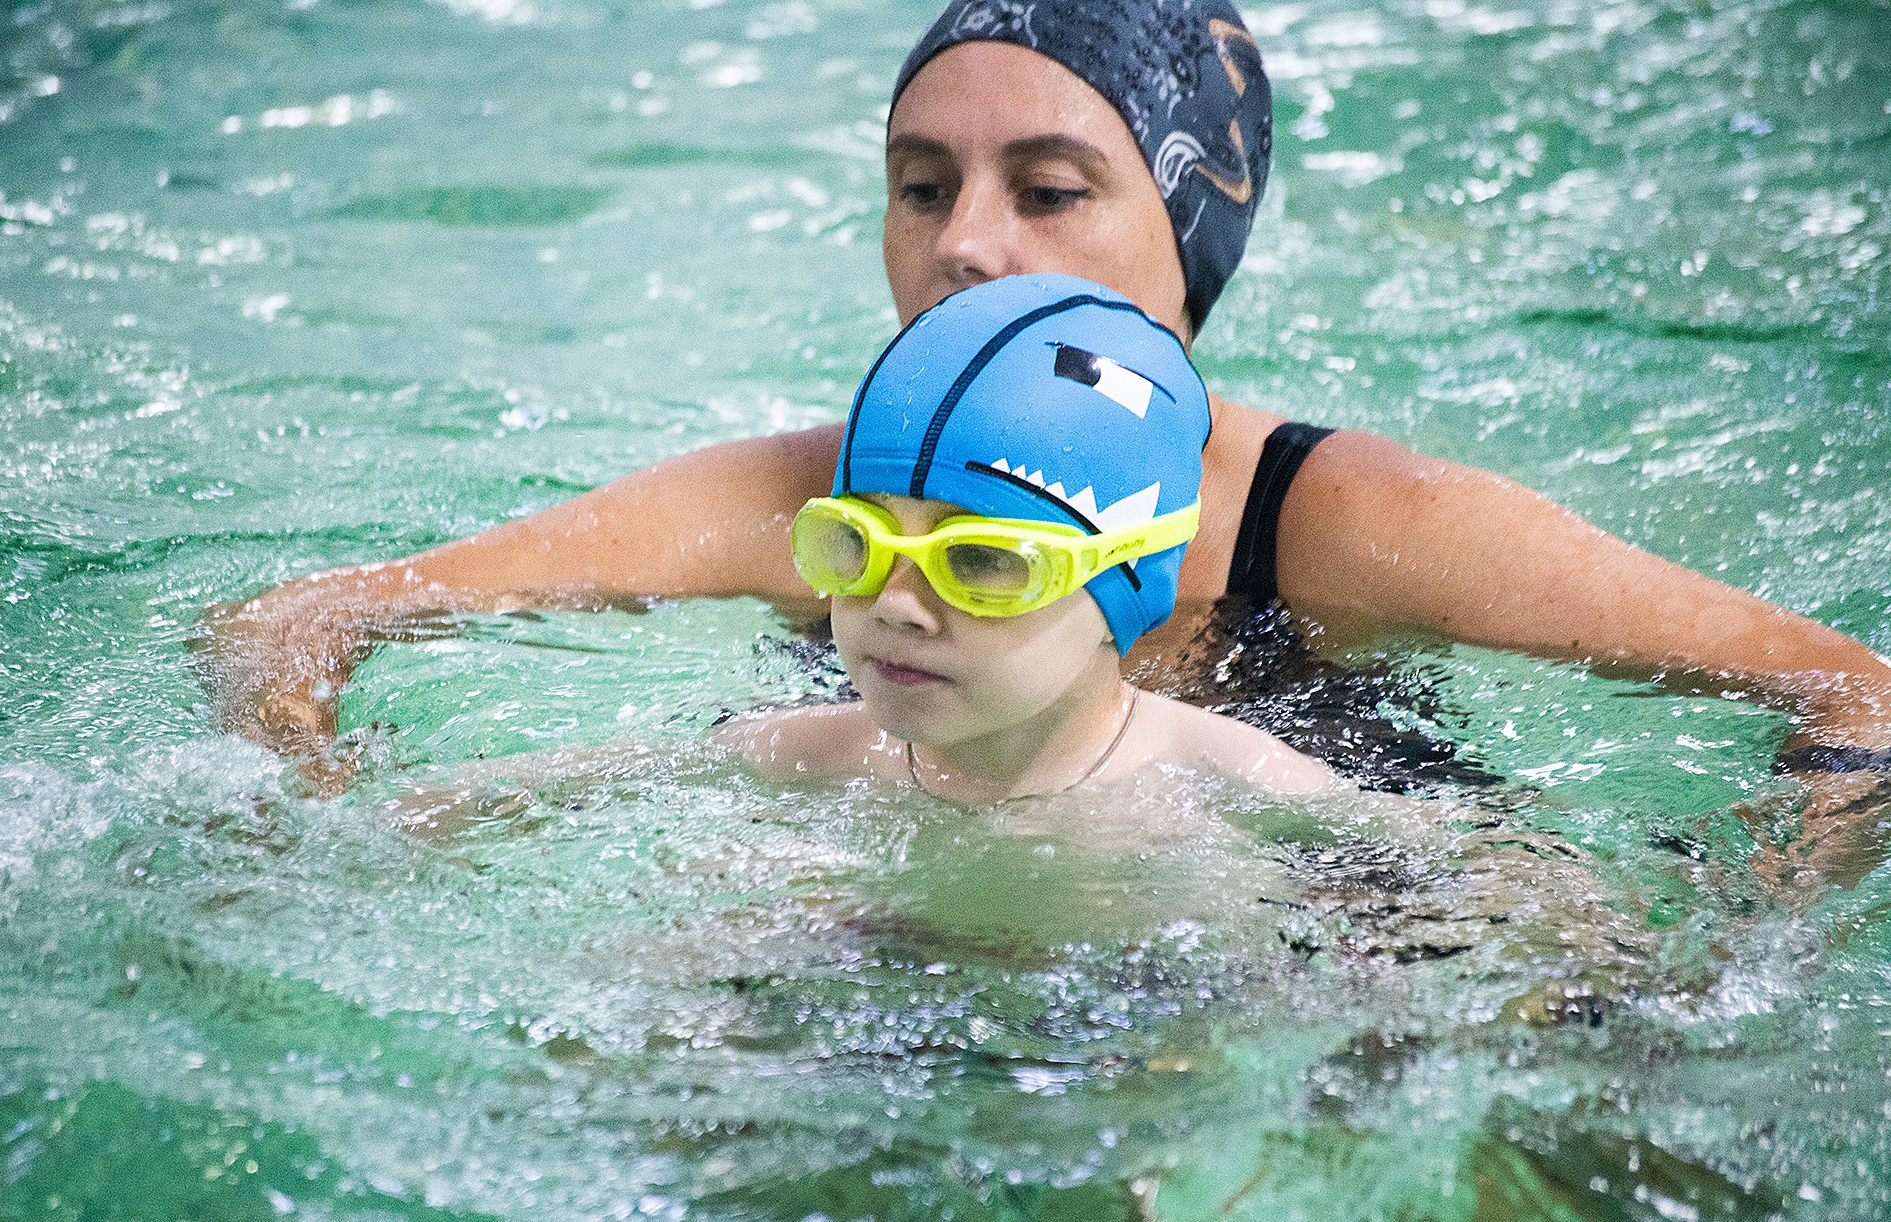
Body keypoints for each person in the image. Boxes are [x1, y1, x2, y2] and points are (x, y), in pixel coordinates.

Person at [199, 0, 1891, 790]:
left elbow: (1850, 694)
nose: (968, 248)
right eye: (920, 185)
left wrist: (1727, 946)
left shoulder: (1342, 519)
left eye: (1051, 185)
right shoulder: (820, 488)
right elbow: (302, 615)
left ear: (1189, 228)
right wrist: (302, 818)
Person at [722, 273, 1337, 805]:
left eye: (980, 558)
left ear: (1127, 575)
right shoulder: (794, 761)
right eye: (857, 543)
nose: (894, 605)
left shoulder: (1239, 786)